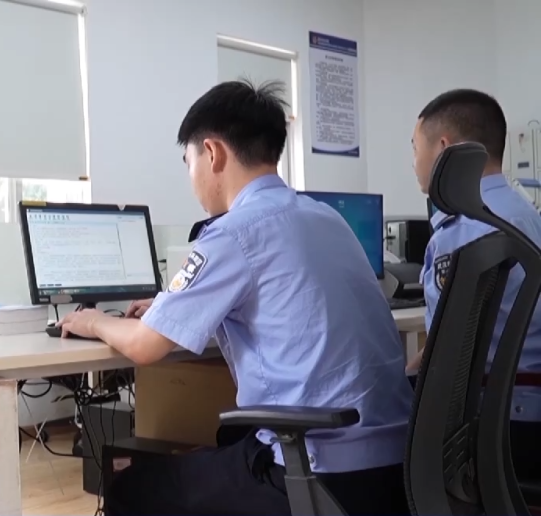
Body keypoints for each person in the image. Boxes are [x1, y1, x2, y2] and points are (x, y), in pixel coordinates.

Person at [58, 80, 413, 515]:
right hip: (397, 469)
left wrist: (92, 320)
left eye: (188, 161)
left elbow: (145, 347)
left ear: (212, 153)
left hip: (318, 471)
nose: (191, 178)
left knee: (131, 488)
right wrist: (175, 307)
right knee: (227, 438)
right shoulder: (325, 217)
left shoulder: (232, 232)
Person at [409, 88, 541, 481]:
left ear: (444, 149)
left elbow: (448, 353)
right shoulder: (527, 215)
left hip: (494, 432)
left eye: (415, 148)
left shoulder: (461, 229)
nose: (414, 163)